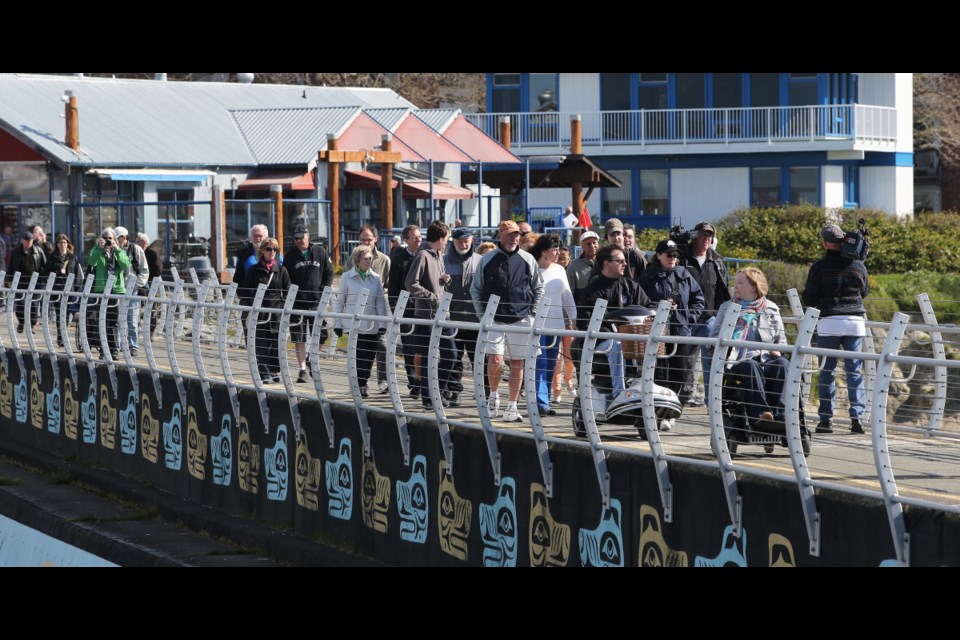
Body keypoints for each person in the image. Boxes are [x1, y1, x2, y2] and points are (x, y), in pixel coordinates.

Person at [471, 219, 544, 423]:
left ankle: (512, 406)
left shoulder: (528, 259)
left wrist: (532, 312)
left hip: (521, 318)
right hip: (494, 318)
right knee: (495, 360)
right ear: (500, 236)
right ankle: (493, 396)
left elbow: (539, 287)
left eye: (516, 235)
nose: (514, 238)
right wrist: (482, 315)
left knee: (518, 363)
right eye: (510, 234)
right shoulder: (487, 260)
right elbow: (475, 288)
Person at [802, 223, 870, 435]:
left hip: (829, 322)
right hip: (854, 321)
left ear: (824, 242)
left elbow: (809, 297)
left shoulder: (819, 267)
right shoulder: (858, 266)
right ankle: (857, 417)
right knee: (854, 371)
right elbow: (865, 291)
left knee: (827, 371)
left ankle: (826, 420)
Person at [709, 268, 789, 429]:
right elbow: (713, 338)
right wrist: (728, 344)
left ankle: (783, 416)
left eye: (740, 283)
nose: (735, 287)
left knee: (782, 364)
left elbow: (782, 341)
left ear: (754, 286)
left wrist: (777, 350)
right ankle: (762, 413)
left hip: (766, 359)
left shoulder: (771, 308)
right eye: (735, 283)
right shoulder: (727, 307)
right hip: (738, 360)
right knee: (750, 365)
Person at [639, 238, 705, 426]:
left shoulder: (684, 274)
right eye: (669, 255)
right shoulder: (647, 276)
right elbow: (641, 302)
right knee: (658, 372)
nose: (673, 259)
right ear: (659, 255)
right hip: (657, 332)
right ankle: (658, 411)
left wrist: (688, 317)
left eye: (676, 255)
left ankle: (670, 408)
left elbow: (698, 300)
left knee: (680, 372)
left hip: (680, 330)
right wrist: (658, 307)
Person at [576, 245, 652, 399]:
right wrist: (611, 334)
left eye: (625, 261)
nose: (625, 264)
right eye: (620, 261)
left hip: (632, 338)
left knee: (654, 344)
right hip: (601, 342)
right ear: (606, 263)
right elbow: (583, 321)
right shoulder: (592, 290)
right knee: (616, 344)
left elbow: (649, 306)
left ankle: (649, 391)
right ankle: (619, 393)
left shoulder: (630, 286)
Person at [404, 220, 457, 410]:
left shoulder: (438, 255)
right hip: (426, 315)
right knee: (427, 357)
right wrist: (432, 297)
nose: (448, 242)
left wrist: (445, 280)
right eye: (447, 238)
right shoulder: (423, 255)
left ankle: (437, 392)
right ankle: (428, 398)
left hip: (444, 314)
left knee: (451, 355)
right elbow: (411, 283)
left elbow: (435, 281)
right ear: (441, 238)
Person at [680, 221, 731, 406]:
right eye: (702, 235)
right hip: (687, 319)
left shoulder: (717, 261)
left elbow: (723, 291)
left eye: (709, 236)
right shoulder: (682, 258)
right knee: (685, 359)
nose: (705, 239)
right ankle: (684, 398)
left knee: (710, 360)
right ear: (694, 237)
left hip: (710, 319)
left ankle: (711, 400)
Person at [333, 245, 388, 398]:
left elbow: (380, 302)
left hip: (371, 324)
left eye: (370, 258)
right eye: (365, 258)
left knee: (369, 356)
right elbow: (340, 302)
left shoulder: (375, 278)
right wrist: (337, 323)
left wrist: (382, 324)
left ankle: (363, 383)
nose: (369, 261)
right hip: (353, 325)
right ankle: (360, 385)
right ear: (357, 260)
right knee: (357, 356)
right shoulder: (346, 277)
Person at [530, 234, 576, 416]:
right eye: (554, 249)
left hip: (556, 324)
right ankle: (541, 402)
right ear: (544, 251)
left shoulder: (559, 270)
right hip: (537, 324)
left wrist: (573, 317)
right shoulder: (532, 269)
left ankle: (545, 400)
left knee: (551, 364)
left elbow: (567, 295)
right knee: (540, 362)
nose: (558, 253)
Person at [285, 223, 334, 383]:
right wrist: (290, 295)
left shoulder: (319, 252)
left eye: (302, 237)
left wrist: (323, 291)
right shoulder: (290, 256)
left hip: (316, 302)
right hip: (297, 303)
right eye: (296, 238)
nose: (299, 241)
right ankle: (302, 369)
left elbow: (328, 272)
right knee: (299, 336)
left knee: (323, 333)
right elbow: (286, 278)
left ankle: (311, 359)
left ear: (308, 236)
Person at [241, 237, 290, 384]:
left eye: (275, 249)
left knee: (276, 345)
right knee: (261, 344)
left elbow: (287, 291)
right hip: (260, 312)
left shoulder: (281, 270)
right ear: (263, 251)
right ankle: (264, 373)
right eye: (269, 249)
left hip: (276, 312)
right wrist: (252, 304)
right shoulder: (254, 270)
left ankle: (274, 370)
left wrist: (283, 307)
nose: (272, 252)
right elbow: (245, 290)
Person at [445, 226, 484, 407]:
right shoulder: (443, 262)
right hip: (452, 319)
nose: (463, 244)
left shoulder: (481, 261)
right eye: (459, 240)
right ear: (453, 241)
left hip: (476, 320)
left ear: (472, 241)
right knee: (455, 358)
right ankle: (454, 392)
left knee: (479, 358)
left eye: (466, 240)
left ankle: (484, 393)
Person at [388, 225, 423, 397]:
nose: (418, 239)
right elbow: (393, 287)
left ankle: (423, 381)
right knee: (409, 347)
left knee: (424, 347)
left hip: (424, 309)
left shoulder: (427, 255)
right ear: (406, 240)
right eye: (414, 237)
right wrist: (396, 309)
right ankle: (413, 381)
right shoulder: (399, 259)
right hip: (407, 310)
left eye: (419, 236)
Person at [87, 227, 131, 359]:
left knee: (113, 322)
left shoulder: (120, 251)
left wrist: (116, 250)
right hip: (101, 289)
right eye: (105, 238)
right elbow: (91, 262)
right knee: (101, 321)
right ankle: (103, 350)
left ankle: (113, 350)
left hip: (116, 290)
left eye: (110, 238)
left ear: (115, 240)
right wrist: (100, 249)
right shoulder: (96, 250)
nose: (108, 241)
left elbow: (125, 265)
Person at [359, 224, 391, 394]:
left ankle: (383, 380)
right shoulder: (354, 258)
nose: (366, 243)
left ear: (376, 239)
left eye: (369, 239)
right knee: (363, 347)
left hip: (379, 309)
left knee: (382, 345)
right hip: (360, 309)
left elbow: (388, 284)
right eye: (363, 239)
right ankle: (362, 383)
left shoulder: (384, 260)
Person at [40, 233, 84, 347]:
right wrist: (57, 273)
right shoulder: (52, 257)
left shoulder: (73, 257)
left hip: (70, 290)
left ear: (68, 244)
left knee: (68, 315)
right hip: (57, 290)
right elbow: (45, 272)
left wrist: (76, 289)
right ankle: (61, 337)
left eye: (65, 242)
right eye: (61, 243)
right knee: (60, 314)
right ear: (57, 245)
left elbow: (78, 274)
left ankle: (63, 335)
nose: (63, 245)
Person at [114, 226, 149, 357]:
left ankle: (133, 345)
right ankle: (117, 344)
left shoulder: (135, 250)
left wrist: (135, 285)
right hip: (116, 289)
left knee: (132, 320)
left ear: (125, 238)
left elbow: (144, 270)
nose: (117, 241)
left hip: (131, 290)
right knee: (117, 319)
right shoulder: (111, 251)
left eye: (119, 238)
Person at [233, 224, 269, 345]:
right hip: (248, 296)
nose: (258, 238)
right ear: (250, 237)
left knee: (265, 328)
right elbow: (238, 274)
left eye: (260, 236)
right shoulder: (244, 253)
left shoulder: (272, 251)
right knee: (248, 325)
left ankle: (264, 355)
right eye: (255, 236)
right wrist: (240, 292)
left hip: (268, 298)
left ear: (266, 237)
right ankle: (252, 353)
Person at [9, 231, 47, 333]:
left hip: (36, 282)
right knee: (20, 303)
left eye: (30, 241)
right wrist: (9, 280)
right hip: (20, 282)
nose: (28, 243)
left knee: (34, 304)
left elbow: (45, 266)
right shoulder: (16, 252)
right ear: (22, 240)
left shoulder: (38, 251)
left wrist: (44, 279)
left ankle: (31, 325)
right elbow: (11, 267)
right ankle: (21, 322)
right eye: (26, 241)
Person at [553, 244, 576, 403]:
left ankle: (568, 380)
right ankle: (556, 389)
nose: (561, 261)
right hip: (554, 318)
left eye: (564, 259)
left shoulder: (571, 273)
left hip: (568, 319)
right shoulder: (552, 271)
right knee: (556, 358)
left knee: (569, 356)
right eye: (559, 258)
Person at [136, 233, 163, 338]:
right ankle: (139, 329)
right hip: (140, 284)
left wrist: (148, 277)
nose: (135, 243)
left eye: (137, 241)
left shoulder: (151, 252)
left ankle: (150, 332)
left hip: (151, 284)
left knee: (152, 309)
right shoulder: (137, 252)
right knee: (138, 307)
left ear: (143, 242)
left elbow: (158, 269)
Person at [602, 218, 646, 283]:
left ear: (623, 235)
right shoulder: (602, 258)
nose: (616, 238)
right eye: (612, 235)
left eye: (618, 234)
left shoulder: (636, 256)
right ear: (607, 237)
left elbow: (650, 280)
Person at [566, 230, 600, 297]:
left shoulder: (606, 262)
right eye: (588, 243)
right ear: (582, 247)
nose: (592, 246)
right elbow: (569, 293)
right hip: (582, 306)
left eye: (594, 243)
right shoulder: (573, 266)